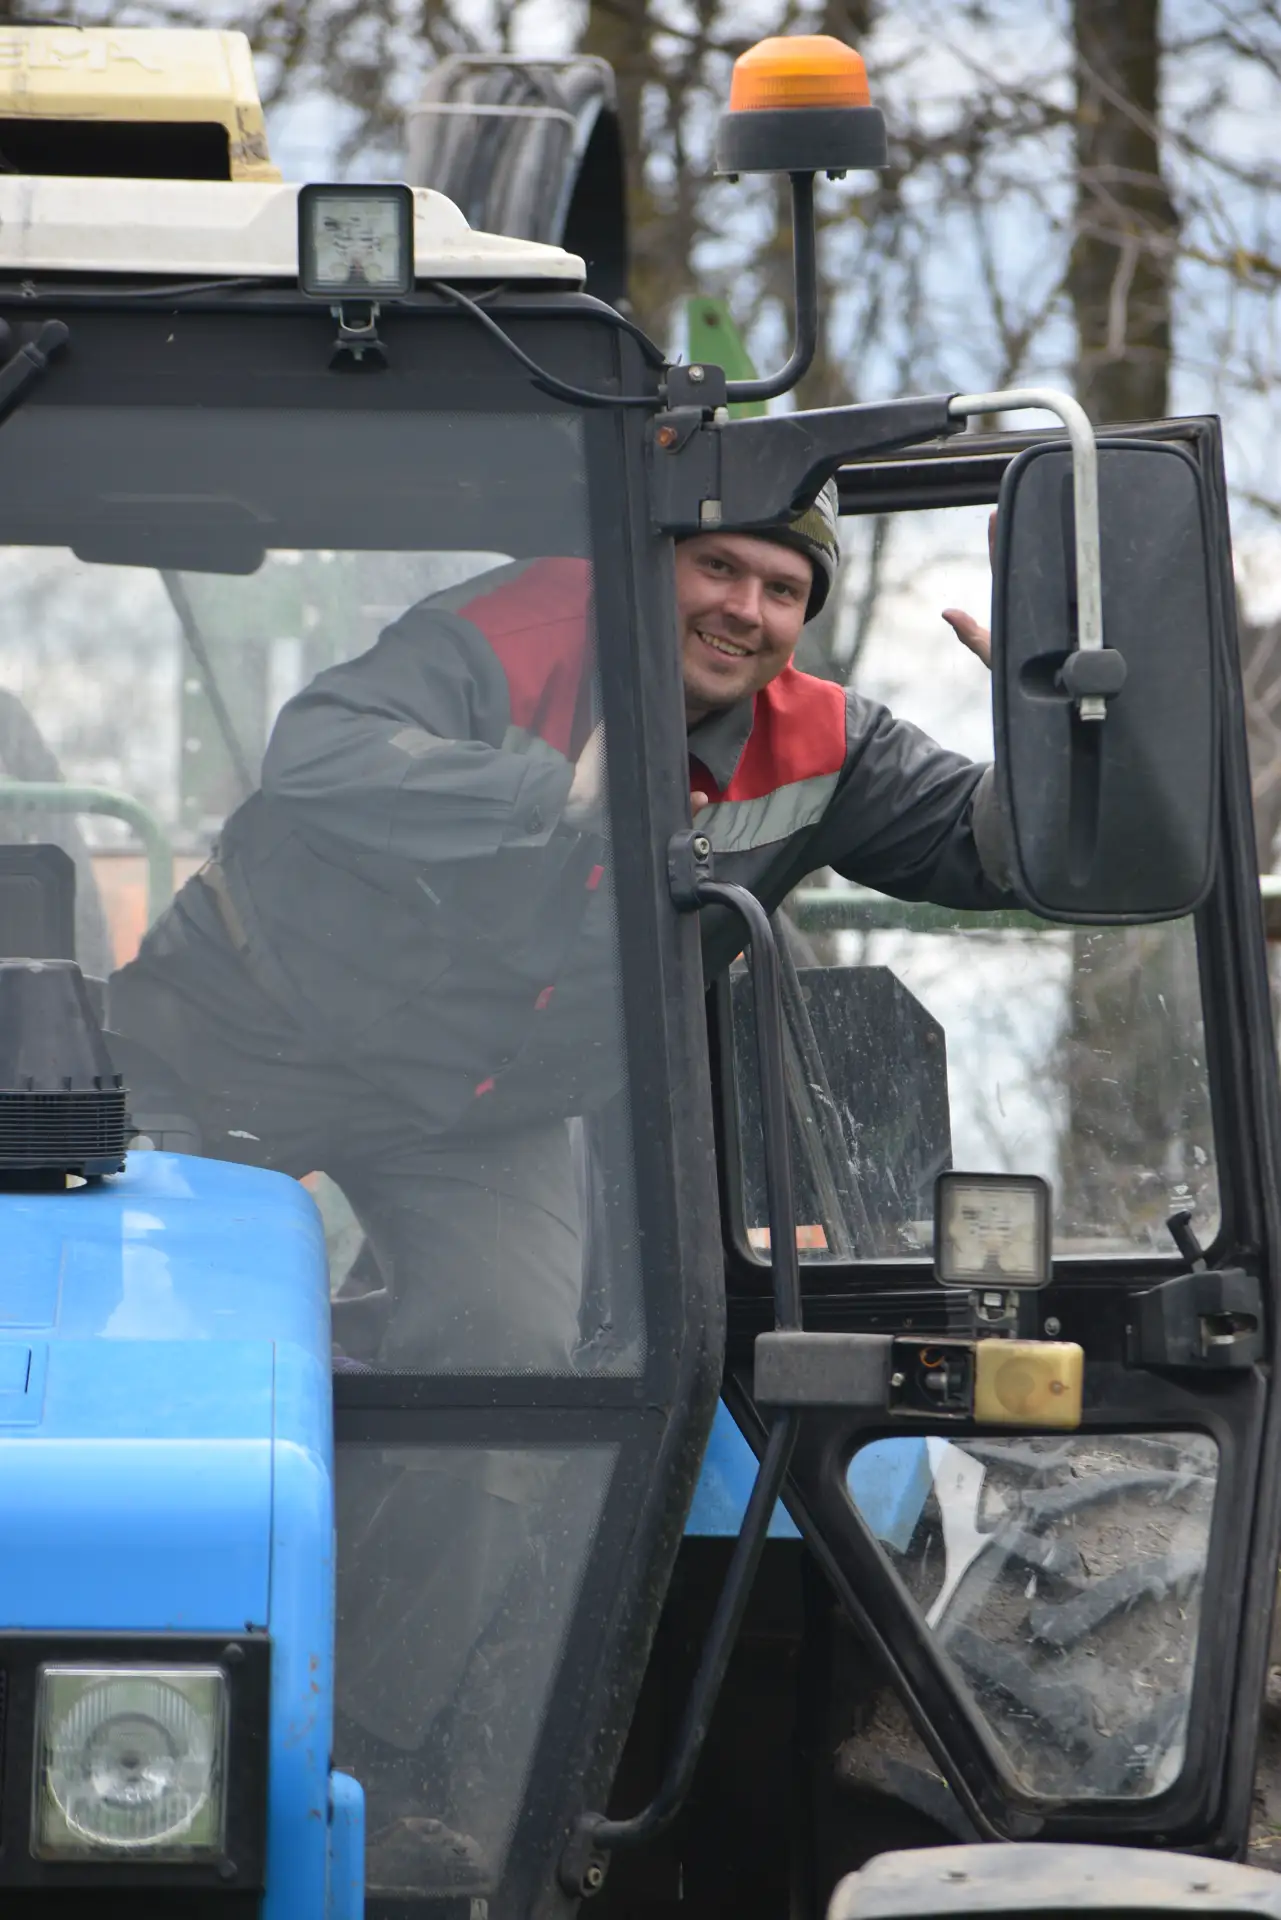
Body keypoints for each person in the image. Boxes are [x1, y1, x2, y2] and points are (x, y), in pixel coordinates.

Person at [106, 486, 1008, 1890]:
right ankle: (114, 1719)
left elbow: (1021, 852)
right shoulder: (512, 632)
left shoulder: (824, 746)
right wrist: (558, 793)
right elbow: (315, 751)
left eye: (782, 589)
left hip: (488, 1107)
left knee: (516, 1363)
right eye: (718, 566)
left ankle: (358, 1760)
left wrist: (1072, 722)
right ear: (652, 564)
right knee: (132, 1350)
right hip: (239, 1034)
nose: (746, 610)